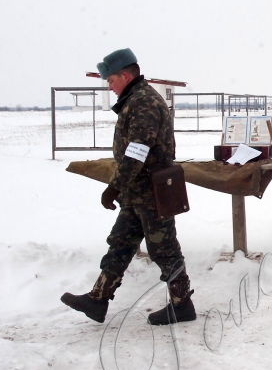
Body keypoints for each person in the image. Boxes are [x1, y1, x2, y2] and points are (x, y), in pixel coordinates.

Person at [61, 48, 195, 325]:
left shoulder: (143, 101)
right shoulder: (135, 99)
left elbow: (137, 150)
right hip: (138, 193)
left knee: (164, 249)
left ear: (124, 75)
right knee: (120, 244)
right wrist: (122, 188)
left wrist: (114, 186)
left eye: (110, 81)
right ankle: (98, 299)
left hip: (152, 193)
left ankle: (182, 305)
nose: (109, 87)